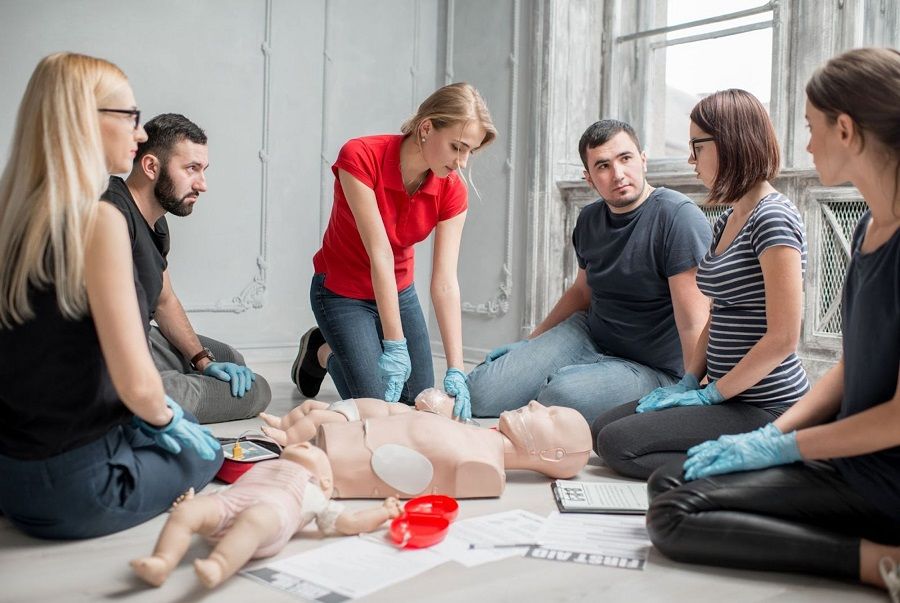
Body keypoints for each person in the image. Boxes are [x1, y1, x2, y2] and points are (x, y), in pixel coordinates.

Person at [646, 48, 900, 599]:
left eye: (811, 128)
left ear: (847, 129)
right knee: (668, 482)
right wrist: (770, 437)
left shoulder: (783, 218)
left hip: (884, 478)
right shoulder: (869, 231)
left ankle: (880, 561)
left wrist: (787, 445)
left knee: (671, 516)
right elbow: (849, 369)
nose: (805, 145)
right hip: (840, 458)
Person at [0, 53, 222, 540]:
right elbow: (139, 386)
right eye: (131, 118)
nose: (140, 133)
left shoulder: (12, 216)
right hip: (75, 491)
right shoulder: (98, 219)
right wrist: (174, 428)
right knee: (209, 455)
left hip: (12, 474)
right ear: (84, 119)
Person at [591, 89, 809, 478]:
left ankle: (759, 462)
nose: (691, 158)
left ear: (730, 143)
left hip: (764, 404)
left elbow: (783, 338)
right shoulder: (729, 219)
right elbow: (718, 309)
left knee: (618, 444)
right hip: (725, 393)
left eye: (698, 146)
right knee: (600, 428)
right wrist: (691, 379)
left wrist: (711, 396)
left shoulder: (773, 218)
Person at [466, 119, 713, 425]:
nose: (618, 174)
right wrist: (531, 342)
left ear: (643, 160)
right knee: (480, 391)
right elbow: (581, 292)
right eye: (603, 166)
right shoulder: (589, 219)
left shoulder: (677, 217)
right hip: (590, 334)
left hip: (651, 366)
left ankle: (571, 380)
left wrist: (694, 388)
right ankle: (571, 374)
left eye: (625, 159)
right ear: (589, 178)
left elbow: (694, 320)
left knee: (560, 395)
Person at [291, 83, 497, 420]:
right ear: (426, 127)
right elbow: (380, 253)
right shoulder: (360, 156)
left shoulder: (452, 192)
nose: (461, 163)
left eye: (469, 152)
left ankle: (347, 347)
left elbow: (445, 282)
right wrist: (395, 345)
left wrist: (456, 368)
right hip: (342, 292)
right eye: (456, 147)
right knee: (379, 409)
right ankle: (323, 351)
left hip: (399, 292)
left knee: (418, 401)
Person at [103, 113, 271, 423]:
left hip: (142, 338)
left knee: (230, 359)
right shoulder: (111, 215)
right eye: (191, 169)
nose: (202, 185)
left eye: (203, 170)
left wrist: (202, 361)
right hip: (107, 359)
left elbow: (164, 300)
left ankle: (176, 374)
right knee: (257, 391)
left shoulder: (156, 222)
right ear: (151, 166)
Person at [131, 442, 402, 589]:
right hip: (228, 505)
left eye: (313, 449)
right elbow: (230, 492)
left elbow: (350, 523)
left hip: (268, 518)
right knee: (188, 512)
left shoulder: (314, 493)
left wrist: (383, 512)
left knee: (256, 519)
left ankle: (220, 565)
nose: (305, 445)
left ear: (326, 483)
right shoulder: (265, 467)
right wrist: (196, 503)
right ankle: (162, 561)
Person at [316, 400, 593, 498]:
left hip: (329, 461)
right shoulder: (475, 435)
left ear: (552, 454)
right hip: (338, 439)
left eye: (551, 416)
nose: (535, 404)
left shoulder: (483, 469)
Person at [258, 388, 457, 445]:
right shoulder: (410, 408)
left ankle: (289, 438)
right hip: (348, 406)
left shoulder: (414, 419)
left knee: (317, 416)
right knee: (309, 405)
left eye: (438, 397)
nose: (435, 392)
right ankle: (284, 423)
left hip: (351, 419)